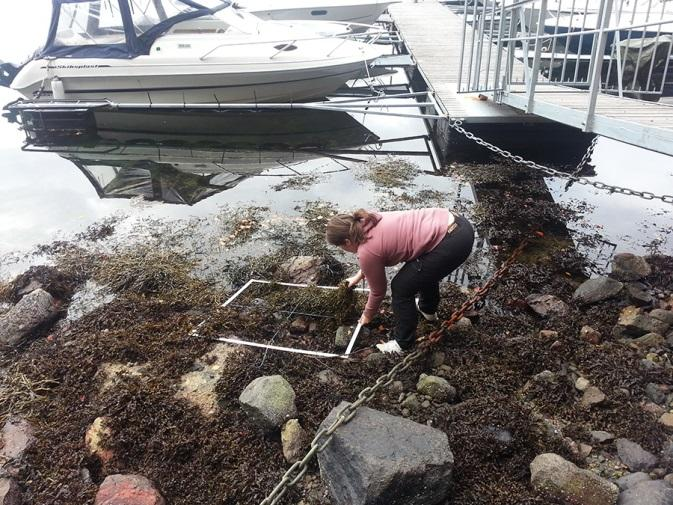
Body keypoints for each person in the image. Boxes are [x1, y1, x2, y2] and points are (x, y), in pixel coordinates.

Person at [325, 208, 475, 354]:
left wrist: (367, 315)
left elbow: (378, 292)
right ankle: (427, 309)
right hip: (456, 223)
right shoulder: (368, 220)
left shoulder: (367, 251)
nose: (341, 249)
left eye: (339, 247)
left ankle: (402, 343)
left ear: (346, 242)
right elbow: (375, 255)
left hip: (453, 241)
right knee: (422, 271)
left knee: (401, 287)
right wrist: (358, 276)